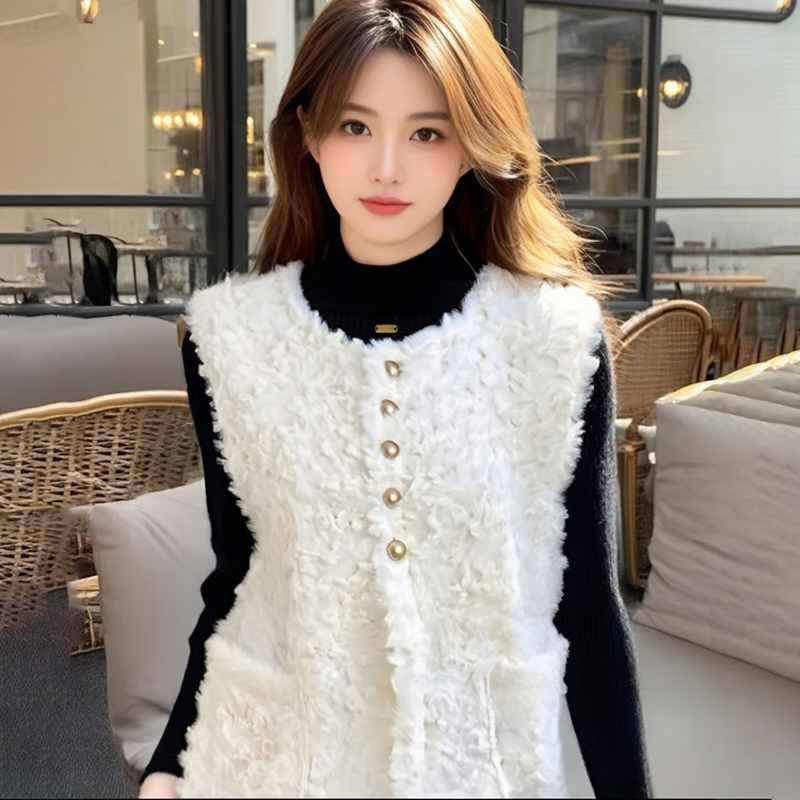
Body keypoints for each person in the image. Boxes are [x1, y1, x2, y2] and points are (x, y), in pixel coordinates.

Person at [139, 0, 652, 796]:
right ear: (309, 135)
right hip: (280, 762)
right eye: (355, 126)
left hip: (476, 769)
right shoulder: (230, 340)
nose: (386, 168)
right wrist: (170, 764)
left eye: (427, 133)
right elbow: (239, 578)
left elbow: (587, 603)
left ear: (471, 146)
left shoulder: (552, 341)